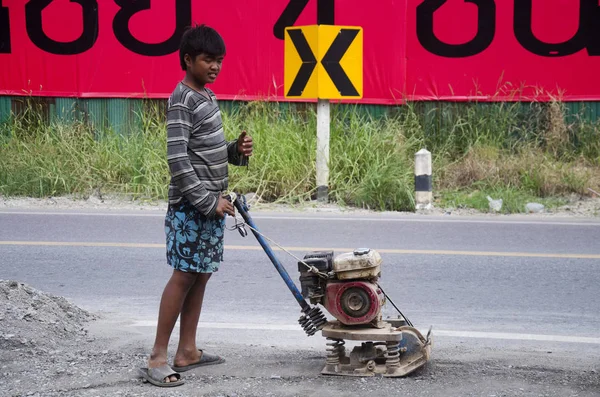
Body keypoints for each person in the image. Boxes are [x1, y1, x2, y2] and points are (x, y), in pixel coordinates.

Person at [139, 24, 253, 387]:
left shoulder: (207, 96)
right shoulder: (181, 100)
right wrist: (206, 201)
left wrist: (235, 152)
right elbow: (178, 160)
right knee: (184, 275)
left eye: (219, 61)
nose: (215, 66)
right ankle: (158, 356)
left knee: (201, 274)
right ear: (188, 60)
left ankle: (186, 350)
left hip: (212, 205)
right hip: (192, 207)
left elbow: (205, 152)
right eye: (208, 60)